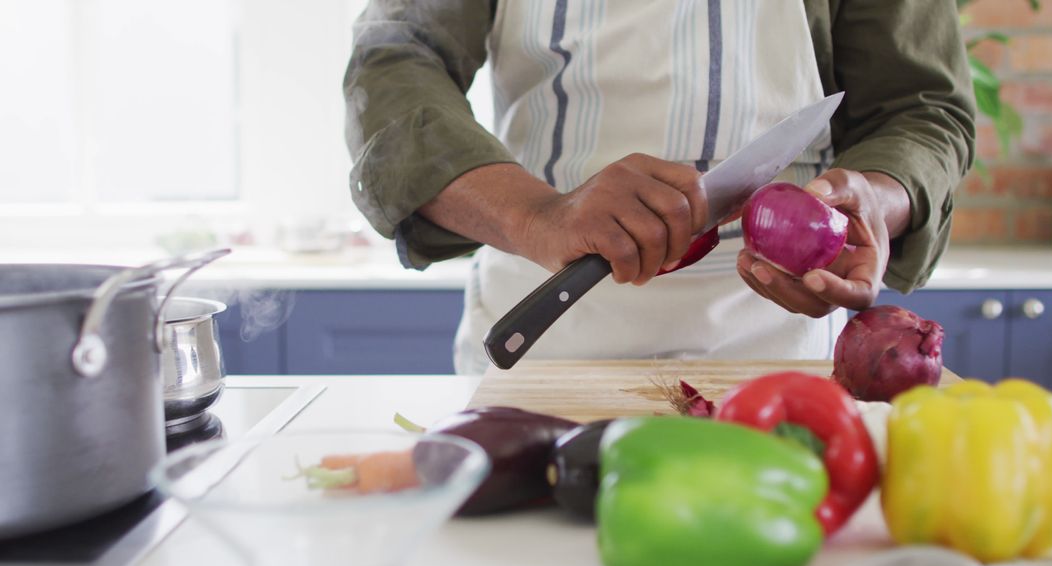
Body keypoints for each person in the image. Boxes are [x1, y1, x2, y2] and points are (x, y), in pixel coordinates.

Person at [344, 1, 975, 376]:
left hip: (784, 348)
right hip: (545, 333)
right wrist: (539, 217)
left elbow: (921, 112)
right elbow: (396, 62)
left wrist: (873, 195)